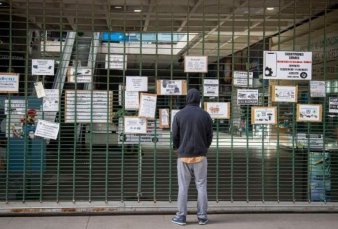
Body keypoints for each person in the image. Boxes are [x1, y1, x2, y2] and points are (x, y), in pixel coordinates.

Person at [171, 88, 213, 225]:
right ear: (199, 99)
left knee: (183, 186)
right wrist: (204, 148)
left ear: (187, 98)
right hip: (201, 156)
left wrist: (179, 148)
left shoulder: (179, 115)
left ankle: (181, 216)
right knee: (201, 186)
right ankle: (202, 216)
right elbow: (209, 136)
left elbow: (175, 136)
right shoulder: (205, 115)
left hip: (183, 157)